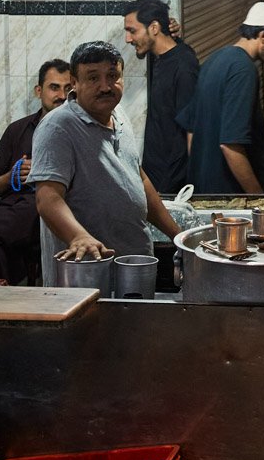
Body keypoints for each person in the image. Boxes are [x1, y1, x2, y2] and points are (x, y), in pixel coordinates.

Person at [29, 42, 182, 282]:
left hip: (133, 268)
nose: (105, 86)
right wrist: (79, 237)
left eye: (113, 76)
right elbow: (47, 199)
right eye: (93, 78)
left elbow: (138, 179)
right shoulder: (57, 127)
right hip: (85, 274)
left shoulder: (118, 115)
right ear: (74, 83)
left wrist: (178, 236)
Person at [179, 2, 264, 193]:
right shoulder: (243, 70)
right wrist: (259, 200)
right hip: (229, 196)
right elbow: (230, 144)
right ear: (263, 37)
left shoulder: (215, 59)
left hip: (204, 190)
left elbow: (191, 130)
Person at [0, 59, 72, 285]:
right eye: (54, 87)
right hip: (20, 208)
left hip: (61, 207)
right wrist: (10, 177)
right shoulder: (18, 130)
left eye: (67, 89)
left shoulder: (77, 129)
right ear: (39, 91)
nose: (61, 95)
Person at [124, 0, 199, 194]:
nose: (128, 39)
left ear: (154, 28)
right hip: (155, 176)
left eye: (132, 31)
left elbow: (190, 130)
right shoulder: (160, 57)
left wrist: (186, 183)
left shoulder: (184, 65)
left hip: (172, 183)